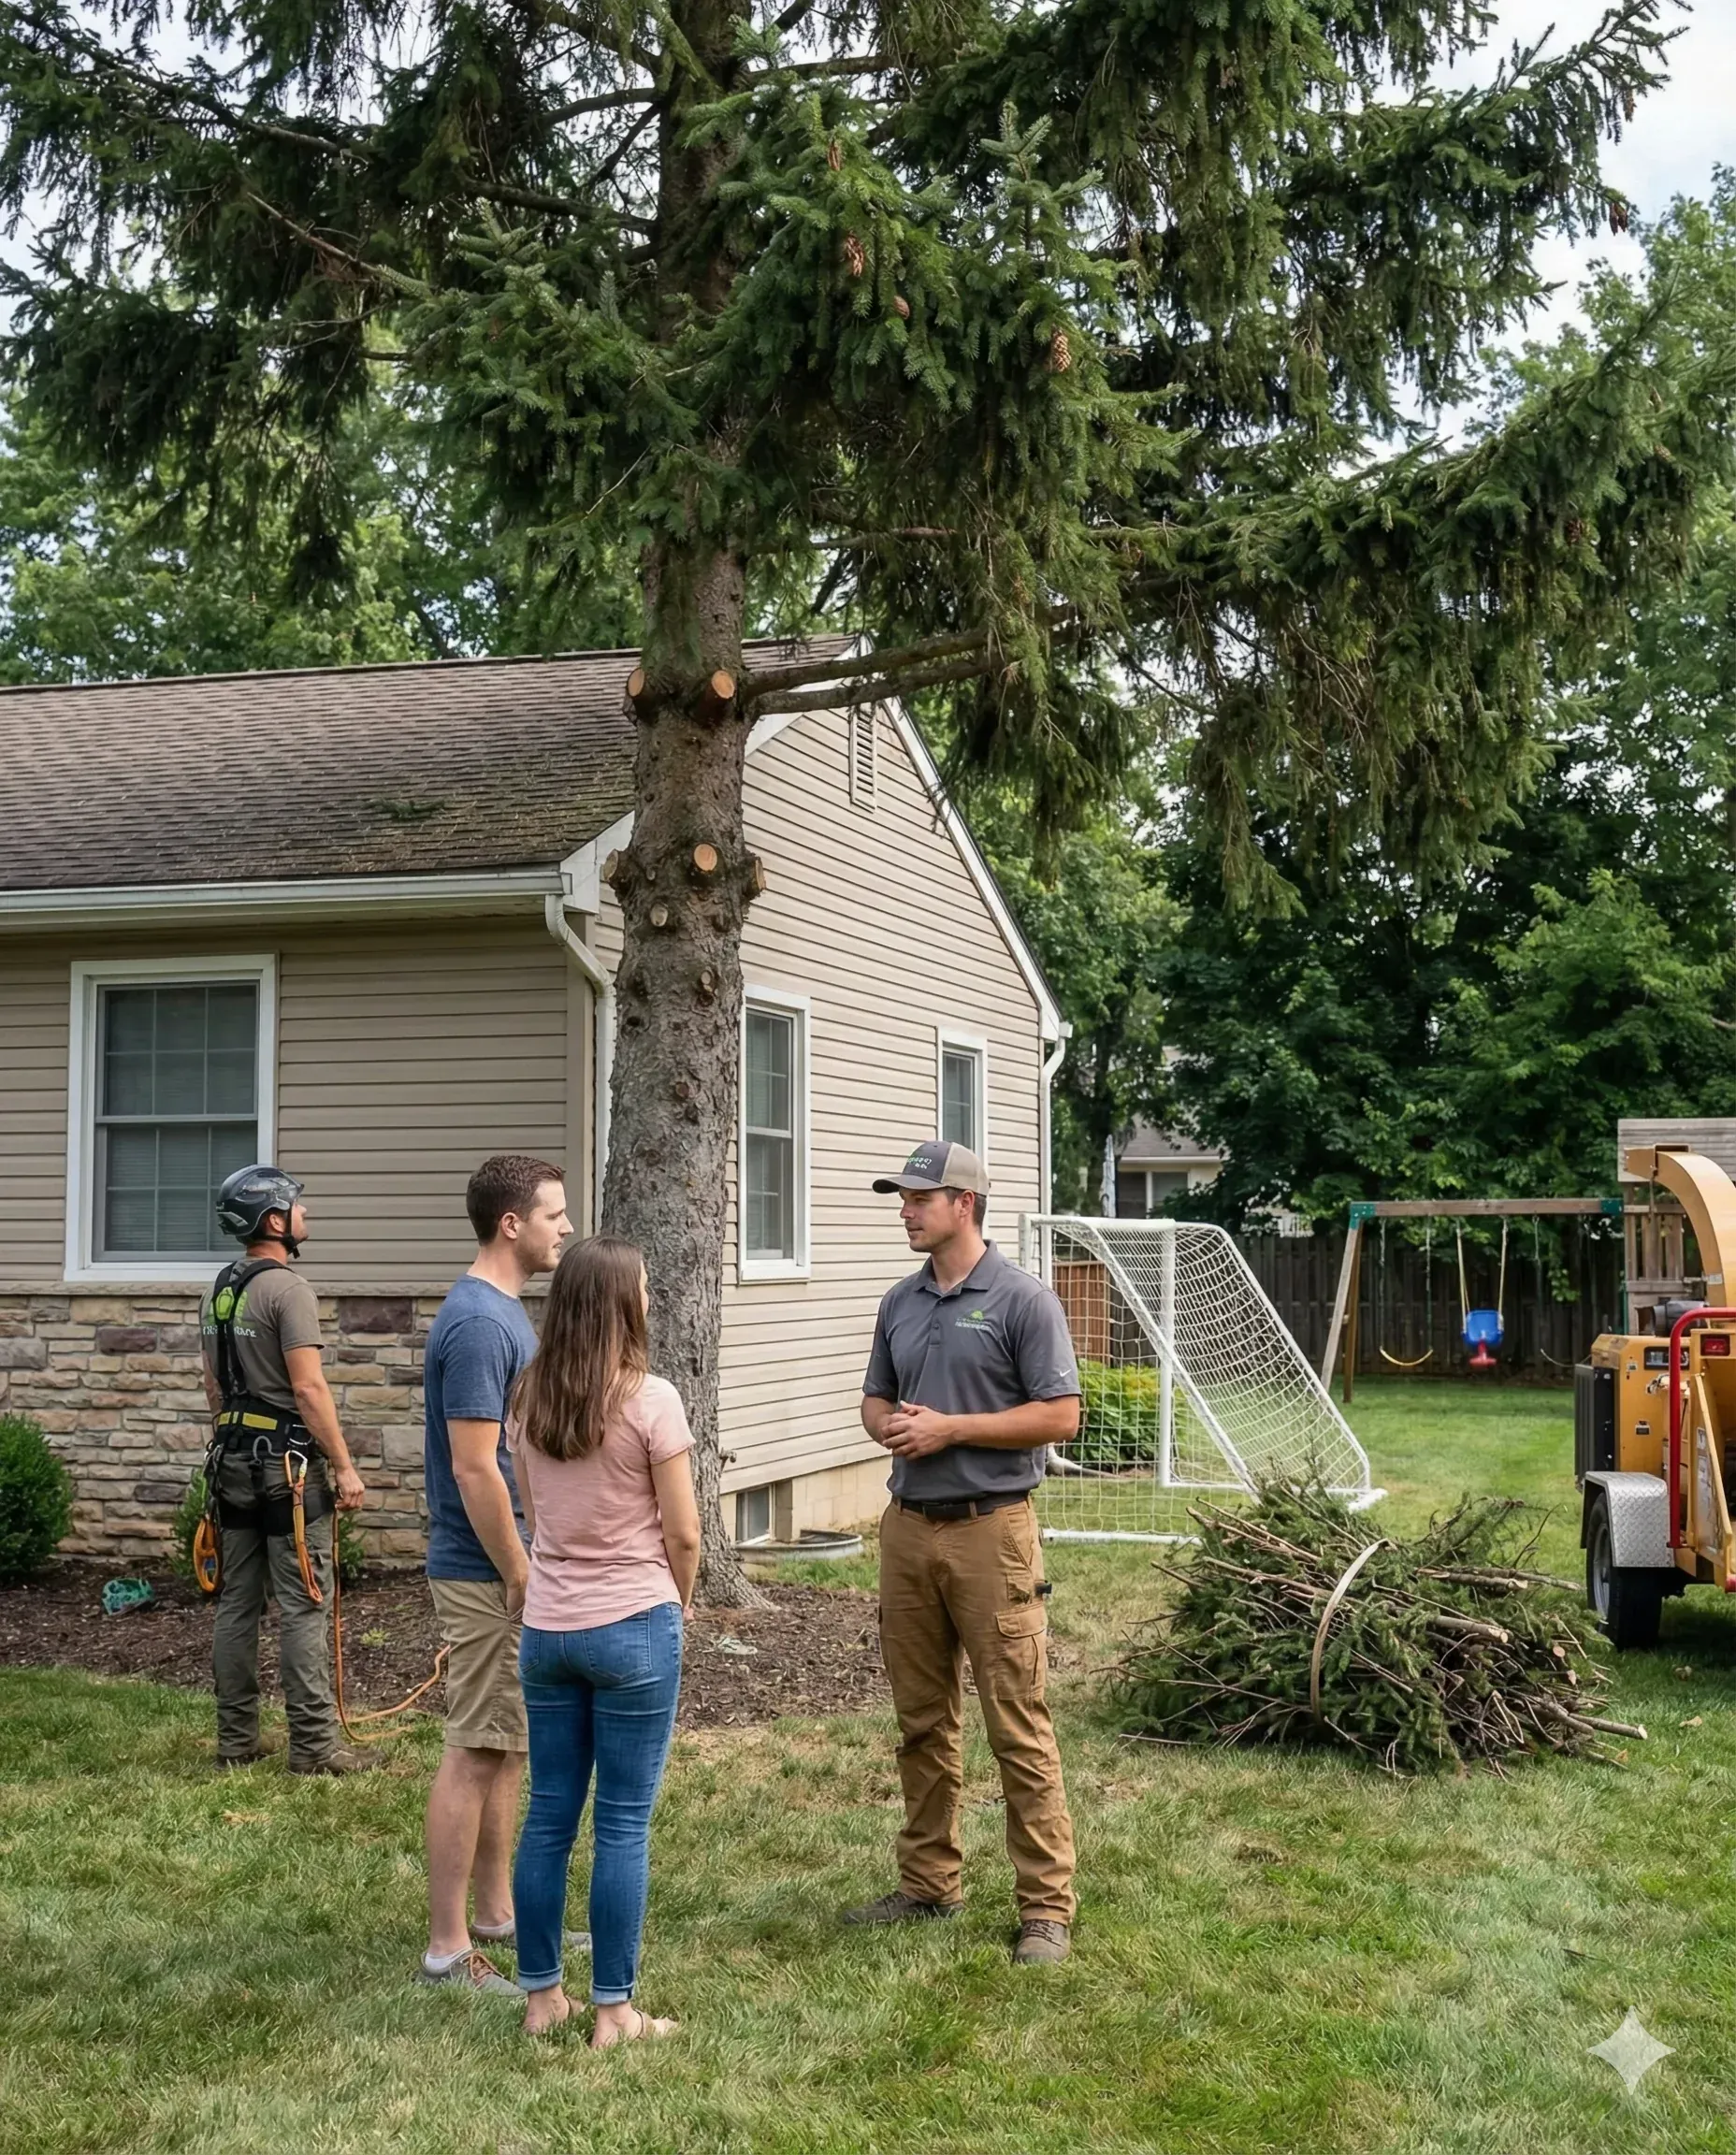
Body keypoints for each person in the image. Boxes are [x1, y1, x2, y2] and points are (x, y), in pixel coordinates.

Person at [846, 1138, 1083, 1964]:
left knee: (1015, 1719)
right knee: (921, 1721)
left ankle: (1046, 1910)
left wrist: (952, 1429)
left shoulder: (1023, 1301)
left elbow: (1061, 1417)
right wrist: (893, 1428)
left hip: (993, 1529)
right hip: (909, 1528)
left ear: (965, 1205)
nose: (906, 1210)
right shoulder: (900, 1303)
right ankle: (927, 1885)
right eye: (903, 1198)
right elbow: (874, 1401)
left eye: (919, 1197)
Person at [507, 1236, 700, 2047]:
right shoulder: (652, 1400)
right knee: (622, 1822)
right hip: (632, 1623)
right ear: (624, 1303)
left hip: (547, 1629)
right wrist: (677, 1606)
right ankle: (614, 2011)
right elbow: (684, 1534)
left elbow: (535, 1513)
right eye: (645, 1289)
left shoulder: (527, 1399)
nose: (650, 1299)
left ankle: (542, 1997)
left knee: (549, 1812)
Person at [419, 1154, 571, 1994]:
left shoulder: (504, 1312)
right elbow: (476, 1467)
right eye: (554, 1214)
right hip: (483, 1569)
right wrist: (518, 1572)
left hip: (504, 1565)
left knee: (505, 1746)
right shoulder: (481, 1323)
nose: (566, 1227)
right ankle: (447, 1952)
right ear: (512, 1224)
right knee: (476, 1748)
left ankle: (497, 1916)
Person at [200, 1164, 369, 1774]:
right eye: (297, 1205)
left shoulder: (219, 1288)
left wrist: (227, 1444)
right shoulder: (288, 1290)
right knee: (303, 1603)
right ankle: (315, 1749)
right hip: (288, 1471)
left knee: (237, 1603)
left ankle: (235, 1743)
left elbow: (214, 1386)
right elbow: (309, 1388)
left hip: (231, 1463)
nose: (306, 1213)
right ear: (274, 1220)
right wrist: (345, 1468)